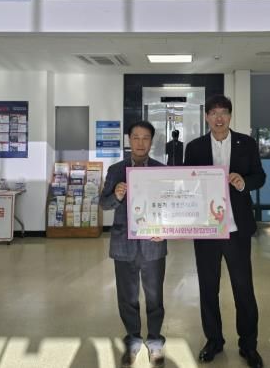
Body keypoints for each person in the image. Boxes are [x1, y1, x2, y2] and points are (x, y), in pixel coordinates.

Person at [184, 95, 266, 368]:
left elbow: (260, 176)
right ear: (206, 117)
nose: (219, 118)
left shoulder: (247, 143)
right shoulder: (194, 147)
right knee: (208, 288)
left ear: (230, 116)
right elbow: (186, 183)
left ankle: (248, 345)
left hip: (236, 228)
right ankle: (214, 340)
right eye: (214, 113)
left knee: (243, 289)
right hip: (206, 228)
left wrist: (243, 182)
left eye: (224, 113)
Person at [100, 120, 167, 368]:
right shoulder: (116, 170)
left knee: (155, 297)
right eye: (136, 137)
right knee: (127, 298)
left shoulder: (161, 170)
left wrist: (166, 228)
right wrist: (117, 195)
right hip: (124, 244)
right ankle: (133, 340)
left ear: (151, 141)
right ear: (129, 140)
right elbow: (104, 203)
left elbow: (171, 206)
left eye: (145, 138)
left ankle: (155, 341)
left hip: (153, 244)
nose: (140, 143)